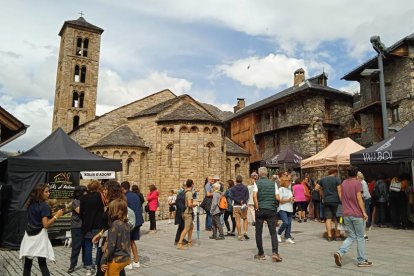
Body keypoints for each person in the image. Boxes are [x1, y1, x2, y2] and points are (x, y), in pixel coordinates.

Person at [20, 183, 64, 276]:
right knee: (42, 263)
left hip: (29, 234)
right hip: (39, 235)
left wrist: (50, 214)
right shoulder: (44, 206)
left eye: (49, 191)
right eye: (46, 192)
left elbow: (36, 217)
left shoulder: (30, 203)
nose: (49, 193)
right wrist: (57, 216)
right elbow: (46, 225)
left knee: (27, 264)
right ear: (40, 193)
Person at [334, 166, 372, 268]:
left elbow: (341, 196)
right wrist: (364, 212)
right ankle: (361, 260)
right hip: (356, 214)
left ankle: (340, 252)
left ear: (348, 174)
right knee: (360, 237)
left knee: (351, 236)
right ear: (356, 174)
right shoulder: (357, 183)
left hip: (346, 213)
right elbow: (359, 198)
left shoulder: (344, 183)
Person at [253, 167, 282, 262]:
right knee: (273, 232)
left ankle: (261, 253)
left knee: (258, 232)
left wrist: (257, 207)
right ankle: (275, 252)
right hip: (271, 210)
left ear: (259, 174)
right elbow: (277, 197)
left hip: (260, 209)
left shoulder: (256, 183)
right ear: (267, 173)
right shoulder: (273, 183)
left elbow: (254, 196)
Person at [80, 180, 106, 276]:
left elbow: (81, 212)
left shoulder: (84, 198)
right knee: (99, 247)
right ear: (97, 187)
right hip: (98, 225)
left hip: (87, 225)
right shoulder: (101, 197)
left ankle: (88, 268)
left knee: (88, 246)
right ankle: (98, 266)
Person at [100, 198, 131, 275]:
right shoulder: (126, 224)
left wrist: (103, 260)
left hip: (117, 259)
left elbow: (111, 246)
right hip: (125, 257)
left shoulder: (115, 224)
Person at [121, 181, 144, 270]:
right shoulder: (136, 195)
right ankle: (136, 261)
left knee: (127, 242)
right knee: (132, 242)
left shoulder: (125, 197)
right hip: (137, 221)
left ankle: (128, 263)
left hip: (130, 222)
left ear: (122, 188)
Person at [316, 168, 341, 241]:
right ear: (335, 172)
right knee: (337, 219)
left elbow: (316, 188)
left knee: (328, 218)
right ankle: (337, 235)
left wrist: (322, 189)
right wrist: (342, 201)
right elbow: (339, 191)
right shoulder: (337, 179)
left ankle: (329, 236)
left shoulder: (323, 179)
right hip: (336, 201)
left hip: (326, 201)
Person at [68, 185, 87, 273]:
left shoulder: (84, 200)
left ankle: (85, 262)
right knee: (76, 247)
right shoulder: (75, 202)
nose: (86, 192)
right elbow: (80, 211)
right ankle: (72, 265)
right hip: (76, 227)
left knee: (85, 246)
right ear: (80, 193)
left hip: (85, 226)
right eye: (84, 191)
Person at [177, 179, 197, 249]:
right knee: (186, 228)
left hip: (185, 212)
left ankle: (189, 241)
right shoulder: (189, 193)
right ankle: (179, 243)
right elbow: (189, 204)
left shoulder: (185, 191)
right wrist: (195, 204)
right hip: (187, 213)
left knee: (191, 227)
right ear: (192, 185)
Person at [230, 175, 250, 241]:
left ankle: (239, 235)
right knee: (245, 219)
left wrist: (238, 201)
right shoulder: (245, 188)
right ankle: (245, 232)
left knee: (237, 220)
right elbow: (247, 196)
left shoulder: (232, 188)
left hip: (236, 206)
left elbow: (231, 197)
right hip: (243, 206)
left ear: (236, 180)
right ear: (242, 180)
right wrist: (243, 201)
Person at [277, 175, 295, 244]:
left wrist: (293, 200)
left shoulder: (289, 190)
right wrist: (289, 199)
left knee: (289, 224)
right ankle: (278, 233)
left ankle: (287, 237)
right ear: (284, 182)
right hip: (283, 208)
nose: (290, 183)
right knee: (285, 222)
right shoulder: (281, 189)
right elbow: (281, 200)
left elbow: (290, 199)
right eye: (289, 181)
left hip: (290, 208)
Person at [357, 171, 370, 240]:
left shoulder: (363, 182)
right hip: (361, 200)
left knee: (363, 215)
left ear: (359, 177)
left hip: (364, 200)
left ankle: (364, 233)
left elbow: (365, 193)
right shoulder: (360, 182)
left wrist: (358, 196)